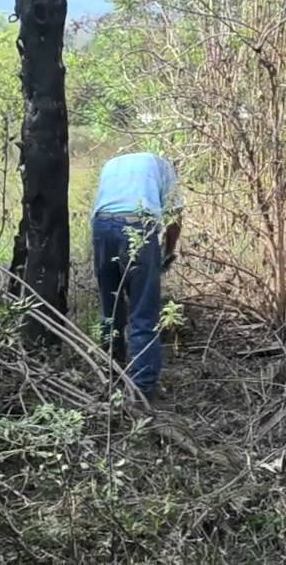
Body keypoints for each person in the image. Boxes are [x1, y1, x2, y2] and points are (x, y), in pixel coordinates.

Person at [91, 151, 182, 402]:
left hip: (101, 227)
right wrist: (168, 252)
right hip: (138, 226)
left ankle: (111, 375)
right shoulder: (164, 166)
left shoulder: (111, 162)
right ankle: (142, 391)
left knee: (111, 309)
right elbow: (175, 217)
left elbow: (99, 206)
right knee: (143, 313)